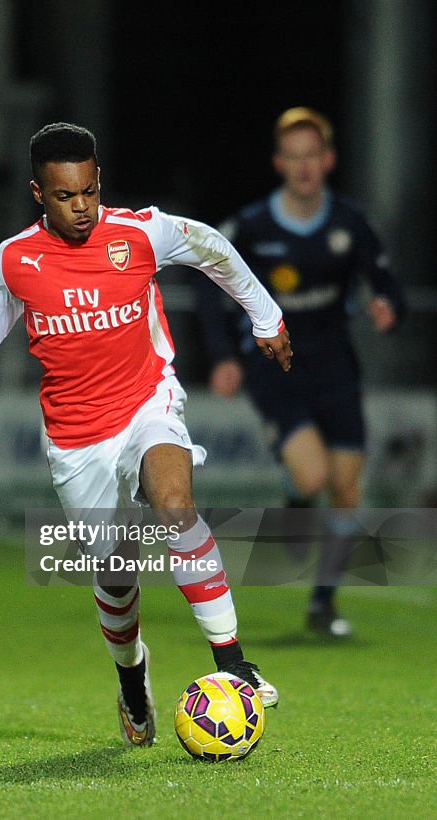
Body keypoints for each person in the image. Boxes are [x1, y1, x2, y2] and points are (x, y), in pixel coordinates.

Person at [0, 122, 291, 747]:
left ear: (97, 182)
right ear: (39, 192)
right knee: (115, 574)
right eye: (65, 196)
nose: (80, 206)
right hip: (76, 437)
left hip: (148, 402)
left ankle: (235, 665)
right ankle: (132, 678)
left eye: (88, 191)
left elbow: (214, 248)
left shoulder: (141, 231)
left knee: (175, 506)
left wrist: (266, 316)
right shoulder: (16, 259)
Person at [194, 107, 404, 638]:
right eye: (294, 156)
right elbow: (206, 282)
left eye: (313, 155)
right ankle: (295, 492)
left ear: (328, 161)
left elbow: (386, 282)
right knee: (314, 478)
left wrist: (388, 307)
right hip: (275, 364)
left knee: (348, 487)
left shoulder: (350, 224)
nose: (304, 166)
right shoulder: (251, 225)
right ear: (279, 163)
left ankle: (323, 604)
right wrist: (222, 356)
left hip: (335, 363)